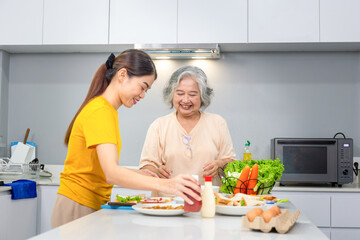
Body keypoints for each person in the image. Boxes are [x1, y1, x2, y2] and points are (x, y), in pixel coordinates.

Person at [51, 50, 201, 228]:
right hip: (77, 205)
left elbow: (103, 168)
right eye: (143, 86)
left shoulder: (107, 110)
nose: (143, 94)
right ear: (122, 75)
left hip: (87, 204)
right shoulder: (100, 111)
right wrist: (168, 185)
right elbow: (112, 173)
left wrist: (141, 174)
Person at [139, 66, 236, 196]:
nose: (185, 100)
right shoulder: (159, 126)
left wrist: (219, 164)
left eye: (192, 94)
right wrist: (156, 170)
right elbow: (146, 166)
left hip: (208, 201)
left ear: (202, 96)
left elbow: (230, 162)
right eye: (179, 93)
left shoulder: (218, 123)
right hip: (167, 204)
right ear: (171, 94)